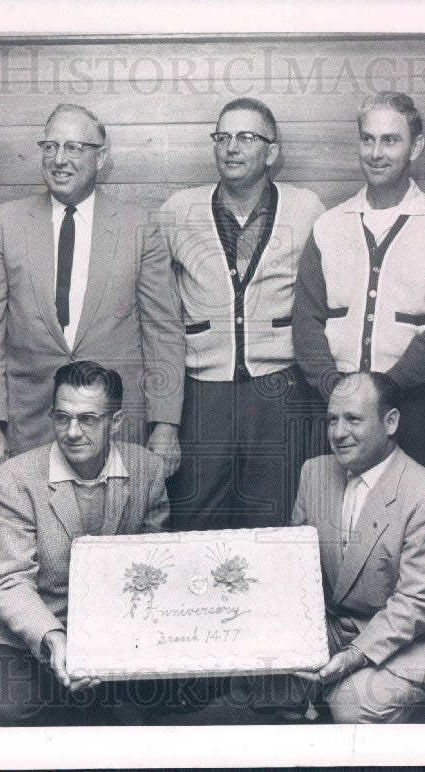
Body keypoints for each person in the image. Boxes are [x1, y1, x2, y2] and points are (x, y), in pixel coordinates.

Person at [0, 103, 184, 479]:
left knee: (117, 534)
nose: (59, 159)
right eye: (50, 147)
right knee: (32, 533)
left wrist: (165, 425)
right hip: (29, 425)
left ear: (101, 157)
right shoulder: (4, 225)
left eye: (73, 148)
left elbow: (163, 332)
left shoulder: (140, 227)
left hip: (115, 427)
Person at [0, 361, 170, 726]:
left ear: (117, 421)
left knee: (141, 718)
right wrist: (54, 638)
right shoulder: (13, 480)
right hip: (24, 636)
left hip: (112, 634)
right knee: (0, 712)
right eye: (62, 418)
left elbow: (154, 569)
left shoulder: (147, 470)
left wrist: (110, 641)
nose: (72, 432)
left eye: (88, 419)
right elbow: (9, 583)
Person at [162, 97, 325, 531]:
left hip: (280, 389)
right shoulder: (180, 209)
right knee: (194, 516)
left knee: (276, 518)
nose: (231, 147)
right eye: (223, 137)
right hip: (202, 390)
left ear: (272, 152)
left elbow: (323, 298)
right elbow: (157, 303)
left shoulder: (306, 207)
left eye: (246, 137)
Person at [278, 371, 425, 723]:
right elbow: (295, 568)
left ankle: (412, 708)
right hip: (335, 627)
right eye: (332, 419)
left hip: (414, 637)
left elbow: (418, 604)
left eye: (353, 419)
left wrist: (353, 657)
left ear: (390, 422)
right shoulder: (314, 473)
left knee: (352, 703)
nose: (338, 432)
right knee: (260, 672)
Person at [293, 91, 425, 475]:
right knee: (334, 513)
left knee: (415, 517)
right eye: (367, 139)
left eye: (390, 140)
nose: (376, 152)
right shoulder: (328, 225)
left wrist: (385, 389)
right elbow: (306, 321)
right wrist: (334, 387)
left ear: (415, 147)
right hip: (335, 405)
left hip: (413, 407)